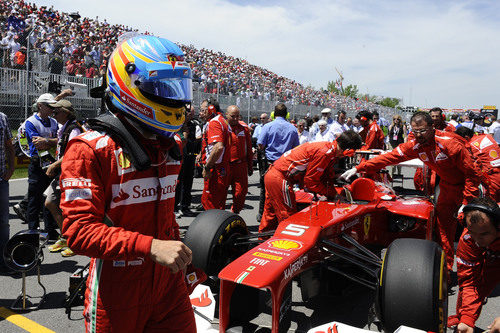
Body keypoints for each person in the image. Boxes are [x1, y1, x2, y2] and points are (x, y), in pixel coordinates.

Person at [60, 35, 196, 332]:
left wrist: (178, 252)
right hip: (116, 291)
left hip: (169, 286)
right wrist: (150, 246)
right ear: (128, 83)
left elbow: (164, 219)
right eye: (161, 87)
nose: (174, 98)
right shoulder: (90, 149)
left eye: (177, 87)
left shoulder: (173, 147)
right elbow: (77, 232)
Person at [342, 111, 482, 273]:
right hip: (446, 187)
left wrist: (467, 201)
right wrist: (358, 168)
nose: (419, 135)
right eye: (415, 131)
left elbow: (473, 174)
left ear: (432, 127)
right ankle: (447, 269)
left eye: (422, 131)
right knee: (443, 228)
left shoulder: (449, 144)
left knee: (472, 229)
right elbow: (389, 157)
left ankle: (475, 269)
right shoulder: (415, 145)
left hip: (467, 187)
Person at [259, 130, 363, 233]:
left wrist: (334, 193)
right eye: (351, 154)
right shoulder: (325, 152)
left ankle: (262, 241)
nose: (349, 156)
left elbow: (325, 177)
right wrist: (333, 194)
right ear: (348, 150)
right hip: (280, 178)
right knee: (287, 216)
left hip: (274, 175)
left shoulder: (329, 150)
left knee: (270, 214)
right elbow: (310, 182)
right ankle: (290, 245)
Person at [447, 197, 500, 333]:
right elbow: (470, 281)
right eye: (472, 232)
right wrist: (467, 319)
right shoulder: (468, 238)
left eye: (484, 233)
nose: (477, 239)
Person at [45, 99, 83, 257]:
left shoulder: (75, 129)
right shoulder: (64, 127)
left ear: (66, 113)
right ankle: (66, 236)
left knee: (69, 209)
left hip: (71, 173)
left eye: (56, 112)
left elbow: (72, 153)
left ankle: (74, 242)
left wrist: (55, 165)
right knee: (50, 202)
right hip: (62, 172)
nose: (54, 115)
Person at [25, 93, 59, 240]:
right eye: (49, 106)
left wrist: (47, 141)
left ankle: (50, 230)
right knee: (34, 200)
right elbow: (37, 145)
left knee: (49, 199)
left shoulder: (53, 122)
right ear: (40, 106)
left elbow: (59, 140)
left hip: (52, 163)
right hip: (38, 164)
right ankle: (32, 231)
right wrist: (52, 141)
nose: (52, 109)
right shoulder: (30, 122)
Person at [256, 103, 299, 221]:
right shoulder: (292, 128)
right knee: (286, 189)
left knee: (266, 189)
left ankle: (262, 215)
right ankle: (284, 217)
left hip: (270, 163)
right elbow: (296, 148)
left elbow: (260, 144)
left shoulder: (268, 126)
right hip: (286, 164)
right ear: (286, 114)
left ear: (274, 114)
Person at [200, 99, 231, 210]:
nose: (201, 112)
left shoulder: (214, 122)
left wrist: (208, 167)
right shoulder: (223, 120)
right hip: (222, 167)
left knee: (210, 203)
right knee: (219, 204)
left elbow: (218, 147)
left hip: (215, 170)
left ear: (211, 109)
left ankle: (212, 227)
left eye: (203, 109)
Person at [455, 126, 500, 201]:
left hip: (491, 178)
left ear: (466, 138)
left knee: (490, 204)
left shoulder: (470, 146)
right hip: (497, 169)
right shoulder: (486, 136)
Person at [174, 104, 200, 218]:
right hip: (179, 157)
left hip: (190, 156)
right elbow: (182, 141)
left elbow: (199, 139)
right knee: (178, 184)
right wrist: (184, 130)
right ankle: (174, 208)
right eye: (187, 112)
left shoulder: (195, 124)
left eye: (191, 112)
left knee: (188, 183)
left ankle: (185, 206)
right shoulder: (176, 124)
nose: (189, 114)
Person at [226, 105, 253, 214]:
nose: (236, 119)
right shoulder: (222, 127)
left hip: (241, 165)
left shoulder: (244, 128)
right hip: (226, 165)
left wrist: (250, 166)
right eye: (233, 116)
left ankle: (235, 213)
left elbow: (249, 148)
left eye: (238, 116)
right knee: (221, 193)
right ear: (226, 115)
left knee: (241, 193)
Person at [0, 110, 14, 275]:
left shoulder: (2, 117)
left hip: (1, 179)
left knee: (3, 223)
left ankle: (4, 261)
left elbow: (9, 145)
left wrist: (11, 168)